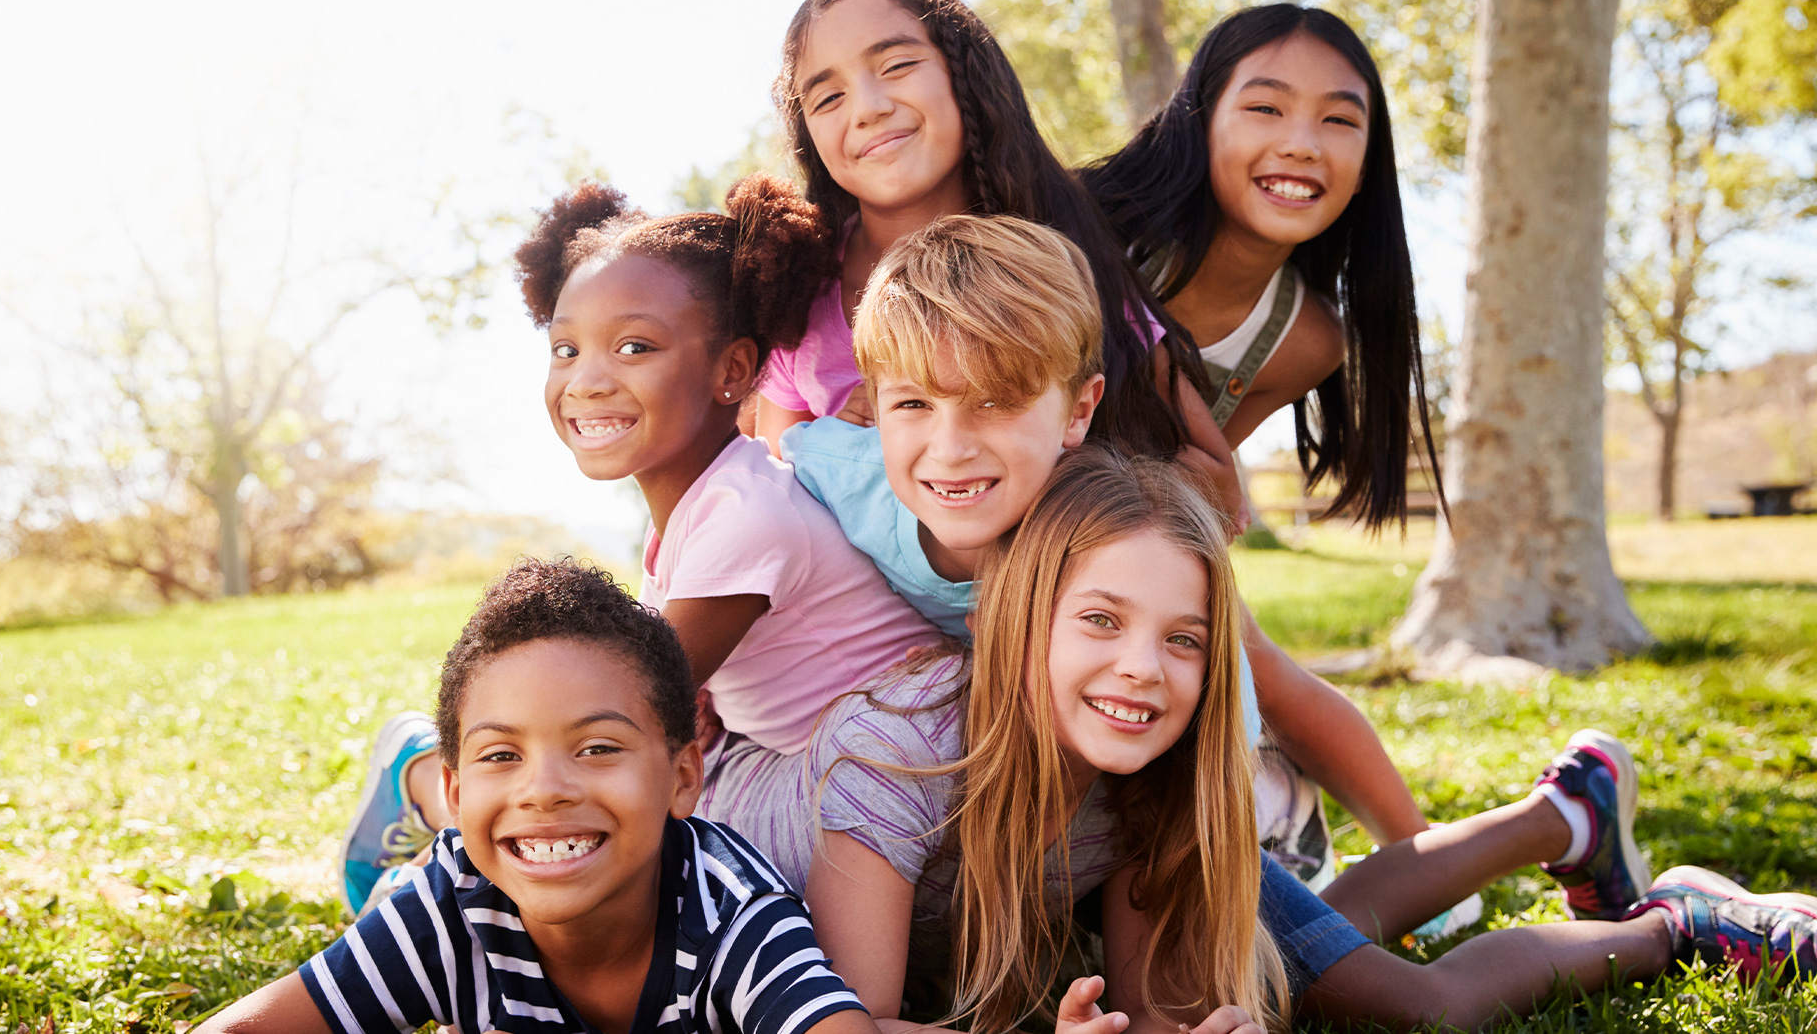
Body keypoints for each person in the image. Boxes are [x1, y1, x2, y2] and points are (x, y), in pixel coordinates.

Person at [789, 449, 1817, 1033]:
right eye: (1099, 620)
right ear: (1013, 624)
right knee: (1317, 940)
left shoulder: (1146, 769)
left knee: (1397, 998)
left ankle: (1668, 920)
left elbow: (1156, 1013)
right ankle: (1561, 815)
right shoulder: (893, 765)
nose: (1143, 666)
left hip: (1096, 882)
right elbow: (846, 1024)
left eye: (1182, 639)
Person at [334, 179, 944, 911]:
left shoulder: (747, 512)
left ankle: (430, 788)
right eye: (566, 349)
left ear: (734, 372)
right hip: (815, 773)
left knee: (602, 804)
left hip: (885, 777)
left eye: (634, 346)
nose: (587, 380)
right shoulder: (695, 514)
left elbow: (624, 709)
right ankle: (433, 794)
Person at [773, 214, 1433, 852]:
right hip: (1001, 757)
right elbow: (733, 534)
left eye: (997, 402)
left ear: (1079, 411)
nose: (949, 450)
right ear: (875, 401)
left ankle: (1291, 816)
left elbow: (1219, 704)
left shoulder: (1116, 543)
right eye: (914, 403)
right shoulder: (829, 475)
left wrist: (1226, 805)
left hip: (1158, 774)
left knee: (1317, 950)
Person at [201, 559, 876, 1034]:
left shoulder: (731, 912)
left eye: (598, 748)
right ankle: (404, 781)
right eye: (502, 755)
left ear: (683, 778)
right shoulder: (450, 904)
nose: (546, 789)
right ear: (457, 793)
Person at [748, 0, 1235, 522]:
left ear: (964, 74)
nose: (868, 107)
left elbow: (1217, 486)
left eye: (898, 65)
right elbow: (775, 502)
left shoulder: (1056, 267)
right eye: (827, 99)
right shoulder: (800, 292)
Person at [1081, 5, 1436, 526]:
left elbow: (1184, 494)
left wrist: (1210, 496)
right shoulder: (1083, 238)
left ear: (1364, 169)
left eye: (1339, 120)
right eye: (1266, 108)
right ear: (1197, 124)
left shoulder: (1304, 343)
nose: (1302, 145)